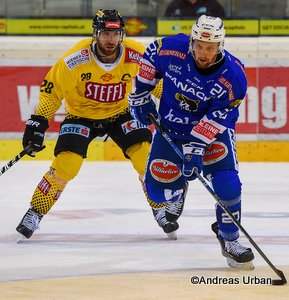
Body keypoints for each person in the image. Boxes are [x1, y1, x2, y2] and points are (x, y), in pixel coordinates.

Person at [16, 9, 179, 242]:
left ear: (121, 34)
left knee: (145, 158)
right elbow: (52, 93)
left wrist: (176, 108)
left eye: (115, 34)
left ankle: (160, 208)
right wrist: (37, 124)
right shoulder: (76, 58)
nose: (110, 40)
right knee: (66, 166)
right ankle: (35, 211)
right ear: (95, 34)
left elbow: (155, 83)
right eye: (105, 34)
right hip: (80, 116)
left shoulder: (135, 54)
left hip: (120, 113)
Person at [128, 15, 254, 269]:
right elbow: (151, 55)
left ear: (220, 46)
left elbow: (222, 115)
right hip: (171, 129)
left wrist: (196, 146)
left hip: (213, 134)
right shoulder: (172, 48)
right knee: (155, 189)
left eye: (210, 48)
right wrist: (141, 93)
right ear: (192, 42)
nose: (203, 53)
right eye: (199, 46)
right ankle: (177, 191)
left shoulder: (234, 75)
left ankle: (230, 239)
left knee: (228, 185)